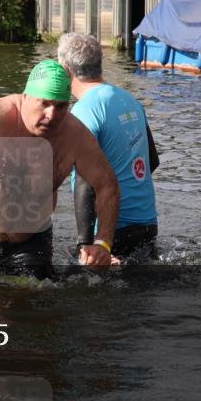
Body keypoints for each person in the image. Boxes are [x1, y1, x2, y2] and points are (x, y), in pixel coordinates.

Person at [0, 59, 120, 279]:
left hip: (31, 241)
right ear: (25, 97)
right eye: (44, 103)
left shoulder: (75, 136)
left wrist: (103, 243)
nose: (51, 115)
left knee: (33, 307)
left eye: (61, 106)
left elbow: (107, 185)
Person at [58, 33, 160, 261]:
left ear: (65, 70)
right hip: (147, 224)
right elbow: (152, 161)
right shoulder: (130, 100)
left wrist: (85, 245)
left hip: (111, 233)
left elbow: (85, 181)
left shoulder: (84, 112)